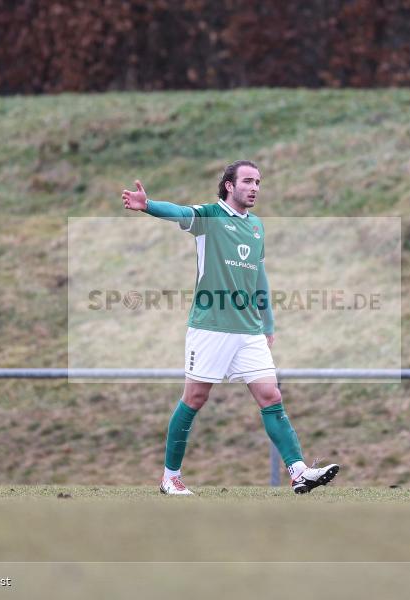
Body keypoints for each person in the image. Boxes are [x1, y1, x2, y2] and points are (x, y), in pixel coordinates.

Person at [121, 160, 339, 495]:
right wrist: (148, 205)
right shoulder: (210, 217)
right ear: (229, 185)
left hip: (249, 330)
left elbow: (259, 278)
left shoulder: (257, 227)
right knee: (195, 397)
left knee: (271, 396)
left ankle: (298, 472)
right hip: (211, 327)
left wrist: (267, 323)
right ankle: (170, 478)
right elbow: (179, 212)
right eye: (248, 181)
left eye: (258, 182)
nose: (254, 188)